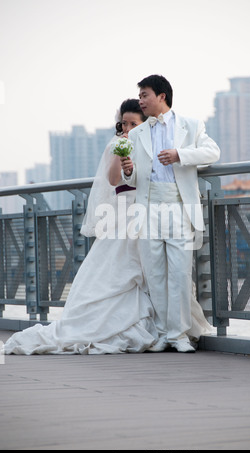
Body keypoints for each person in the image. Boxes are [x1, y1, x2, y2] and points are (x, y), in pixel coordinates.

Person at [3, 99, 159, 355]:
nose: (128, 128)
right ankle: (108, 325)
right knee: (119, 270)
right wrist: (122, 155)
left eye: (134, 123)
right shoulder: (118, 144)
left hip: (146, 212)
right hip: (125, 215)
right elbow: (112, 180)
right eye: (124, 123)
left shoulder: (151, 144)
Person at [120, 75, 220, 353]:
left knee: (178, 272)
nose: (140, 100)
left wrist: (180, 154)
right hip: (148, 207)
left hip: (178, 206)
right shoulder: (138, 133)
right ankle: (164, 333)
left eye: (144, 95)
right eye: (139, 96)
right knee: (155, 274)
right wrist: (129, 170)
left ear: (161, 96)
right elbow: (137, 176)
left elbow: (213, 152)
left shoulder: (190, 125)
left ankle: (179, 335)